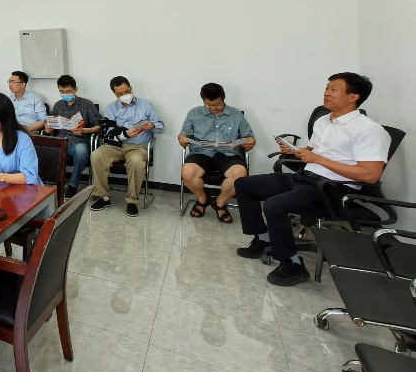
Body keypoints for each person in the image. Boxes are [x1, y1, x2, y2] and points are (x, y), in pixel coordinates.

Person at [234, 72, 390, 286]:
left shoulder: (368, 130)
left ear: (353, 97)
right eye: (327, 88)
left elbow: (370, 175)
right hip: (305, 177)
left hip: (333, 188)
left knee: (274, 205)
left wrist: (318, 159)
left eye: (334, 89)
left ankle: (293, 265)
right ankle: (263, 238)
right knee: (244, 185)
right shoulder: (324, 121)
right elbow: (314, 151)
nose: (327, 93)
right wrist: (295, 151)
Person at [178, 83, 255, 224]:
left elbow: (249, 136)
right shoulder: (194, 113)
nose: (213, 108)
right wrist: (182, 139)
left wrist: (250, 142)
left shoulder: (236, 114)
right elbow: (184, 133)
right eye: (209, 105)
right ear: (203, 101)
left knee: (240, 175)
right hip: (201, 152)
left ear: (223, 99)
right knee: (187, 172)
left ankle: (219, 202)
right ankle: (203, 199)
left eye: (217, 105)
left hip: (228, 154)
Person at [89, 76, 164, 217]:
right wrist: (124, 134)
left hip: (138, 147)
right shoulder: (111, 107)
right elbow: (107, 131)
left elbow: (161, 127)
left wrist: (152, 125)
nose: (124, 95)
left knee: (136, 161)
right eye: (120, 93)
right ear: (114, 94)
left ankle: (132, 201)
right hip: (116, 145)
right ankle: (103, 197)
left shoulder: (145, 105)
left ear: (131, 89)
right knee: (96, 155)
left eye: (127, 91)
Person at [43, 75, 103, 191]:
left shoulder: (87, 104)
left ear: (75, 90)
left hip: (79, 140)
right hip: (61, 139)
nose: (65, 94)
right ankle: (52, 184)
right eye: (62, 91)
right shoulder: (58, 105)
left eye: (68, 91)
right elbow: (49, 122)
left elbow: (99, 125)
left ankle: (73, 185)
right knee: (44, 150)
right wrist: (48, 128)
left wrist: (84, 130)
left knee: (81, 153)